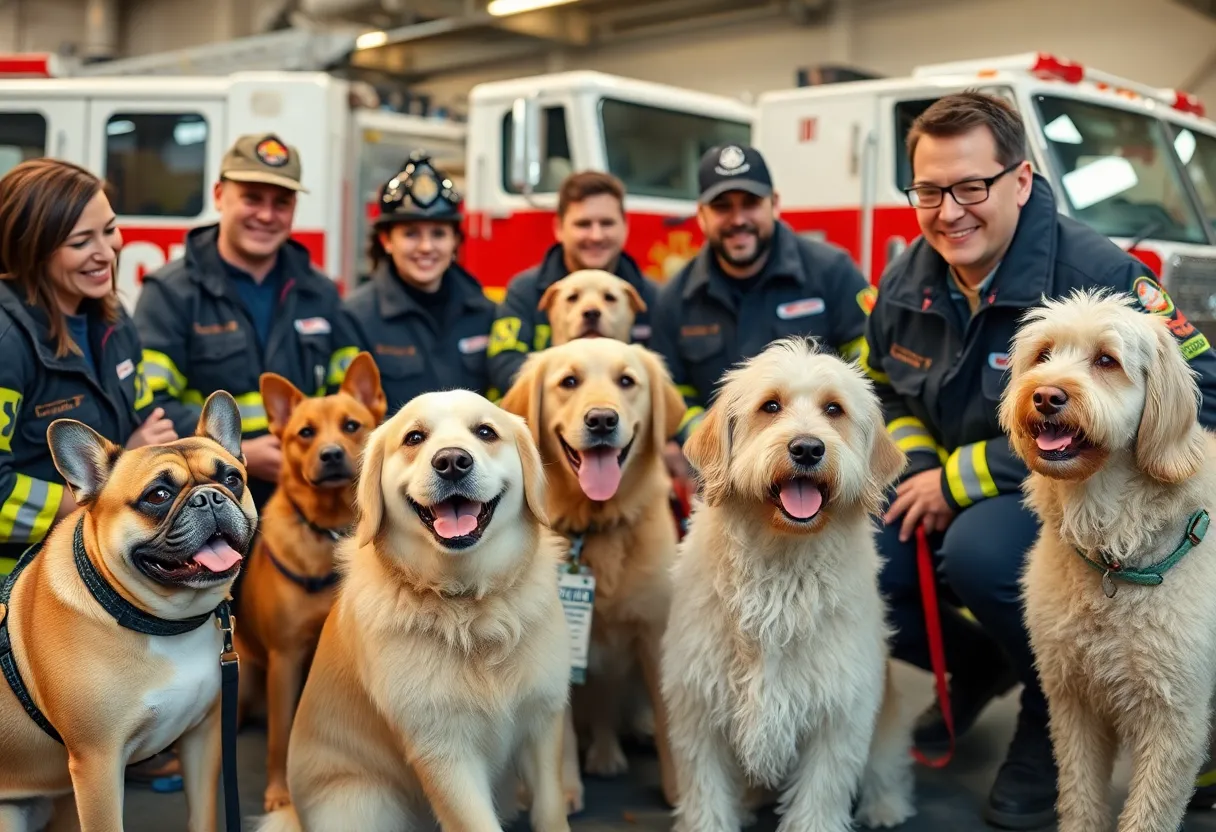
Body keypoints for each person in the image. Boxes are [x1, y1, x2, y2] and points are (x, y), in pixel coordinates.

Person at [859, 90, 1216, 830]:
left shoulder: (1104, 274)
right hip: (958, 481)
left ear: (1021, 180)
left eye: (971, 187)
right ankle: (987, 664)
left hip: (1082, 499)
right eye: (929, 190)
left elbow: (1200, 393)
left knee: (982, 551)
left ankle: (1038, 719)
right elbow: (885, 388)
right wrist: (924, 470)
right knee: (864, 556)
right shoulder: (903, 280)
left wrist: (959, 481)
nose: (949, 211)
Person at [0, 157, 181, 788]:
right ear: (31, 248)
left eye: (109, 229)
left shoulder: (110, 317)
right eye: (82, 241)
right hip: (20, 589)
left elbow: (139, 426)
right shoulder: (6, 338)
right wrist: (101, 500)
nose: (107, 252)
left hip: (97, 566)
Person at [133, 133, 357, 510]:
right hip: (210, 502)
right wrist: (237, 451)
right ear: (220, 196)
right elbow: (151, 406)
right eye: (252, 198)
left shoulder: (320, 292)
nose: (267, 216)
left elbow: (348, 393)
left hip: (308, 504)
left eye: (281, 203)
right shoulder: (170, 293)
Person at [649, 143, 876, 449]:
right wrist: (708, 441)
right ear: (701, 215)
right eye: (722, 207)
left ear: (775, 203)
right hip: (725, 471)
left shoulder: (833, 272)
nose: (738, 219)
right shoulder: (675, 298)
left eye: (751, 203)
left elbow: (869, 364)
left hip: (818, 454)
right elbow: (672, 387)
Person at [339, 151, 495, 414]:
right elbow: (352, 420)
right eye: (411, 234)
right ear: (386, 241)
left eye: (438, 234)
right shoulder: (354, 318)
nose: (426, 247)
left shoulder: (484, 312)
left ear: (455, 242)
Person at [486, 171, 659, 395]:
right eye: (583, 224)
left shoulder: (651, 295)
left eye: (606, 223)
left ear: (625, 227)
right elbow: (504, 365)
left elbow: (667, 372)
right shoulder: (525, 291)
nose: (596, 236)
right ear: (559, 228)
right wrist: (568, 388)